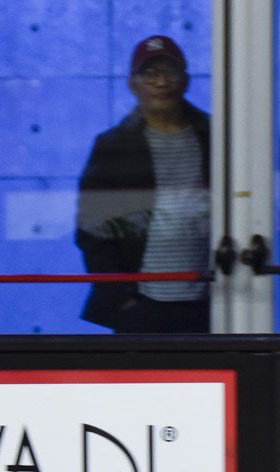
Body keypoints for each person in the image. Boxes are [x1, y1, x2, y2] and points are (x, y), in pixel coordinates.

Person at [75, 34, 212, 334]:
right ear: (132, 83)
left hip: (210, 300)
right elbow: (92, 227)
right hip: (142, 303)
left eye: (170, 72)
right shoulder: (114, 145)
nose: (162, 82)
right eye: (150, 74)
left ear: (186, 80)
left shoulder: (214, 136)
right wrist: (121, 296)